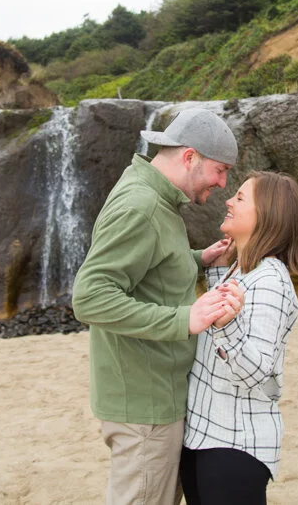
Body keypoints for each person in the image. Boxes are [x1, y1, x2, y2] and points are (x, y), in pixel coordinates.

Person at [71, 107, 243, 505]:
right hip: (144, 406)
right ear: (189, 157)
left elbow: (146, 266)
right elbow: (90, 296)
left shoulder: (155, 198)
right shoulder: (142, 206)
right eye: (220, 170)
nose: (223, 183)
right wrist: (185, 318)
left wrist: (196, 258)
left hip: (154, 395)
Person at [180, 171, 298, 505]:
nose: (228, 200)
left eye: (240, 197)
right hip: (205, 437)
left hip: (233, 447)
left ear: (267, 214)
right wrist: (216, 273)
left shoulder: (270, 281)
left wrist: (227, 326)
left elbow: (256, 373)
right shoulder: (243, 269)